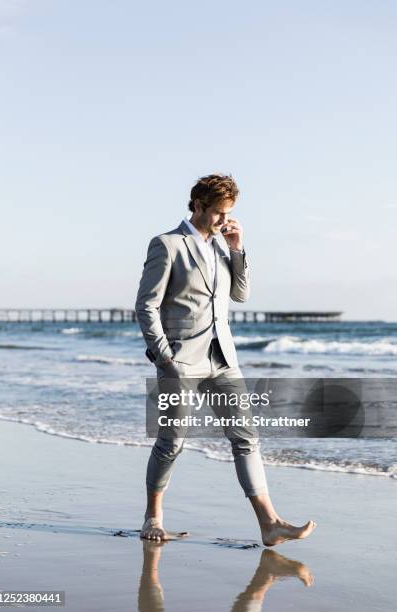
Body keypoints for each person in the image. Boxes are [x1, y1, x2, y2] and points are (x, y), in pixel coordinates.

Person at [135, 173, 316, 545]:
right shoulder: (167, 244)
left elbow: (241, 295)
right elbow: (146, 305)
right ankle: (152, 518)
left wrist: (237, 247)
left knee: (246, 438)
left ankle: (270, 523)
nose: (223, 220)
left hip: (223, 359)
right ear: (198, 206)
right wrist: (164, 356)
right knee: (172, 442)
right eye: (218, 213)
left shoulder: (221, 245)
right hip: (180, 361)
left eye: (228, 213)